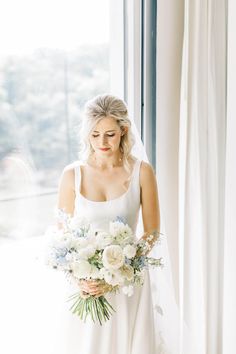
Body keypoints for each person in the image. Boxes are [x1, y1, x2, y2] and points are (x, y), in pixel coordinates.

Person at [55, 93, 161, 354]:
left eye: (110, 134)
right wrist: (79, 278)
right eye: (95, 134)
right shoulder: (72, 175)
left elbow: (151, 232)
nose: (102, 142)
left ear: (123, 130)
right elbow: (62, 236)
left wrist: (121, 269)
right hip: (87, 287)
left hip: (128, 284)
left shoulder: (142, 172)